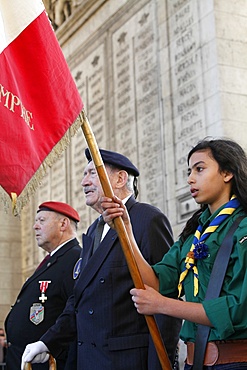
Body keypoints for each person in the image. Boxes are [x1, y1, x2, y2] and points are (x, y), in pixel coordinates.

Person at [21, 149, 181, 370]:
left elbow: (166, 297)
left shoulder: (147, 219)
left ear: (120, 178)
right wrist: (48, 342)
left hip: (127, 362)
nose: (83, 182)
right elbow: (78, 301)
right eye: (84, 175)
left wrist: (162, 364)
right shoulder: (93, 231)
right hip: (90, 360)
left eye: (92, 173)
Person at [100, 138, 247, 369]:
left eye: (200, 169)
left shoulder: (243, 228)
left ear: (227, 172)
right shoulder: (193, 235)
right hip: (194, 362)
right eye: (189, 171)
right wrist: (126, 232)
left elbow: (238, 307)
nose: (190, 179)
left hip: (234, 362)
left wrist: (163, 305)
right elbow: (155, 282)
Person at [5, 201, 81, 370]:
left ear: (63, 224)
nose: (35, 226)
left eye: (41, 220)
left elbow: (75, 311)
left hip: (49, 362)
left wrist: (48, 344)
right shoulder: (52, 260)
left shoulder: (74, 259)